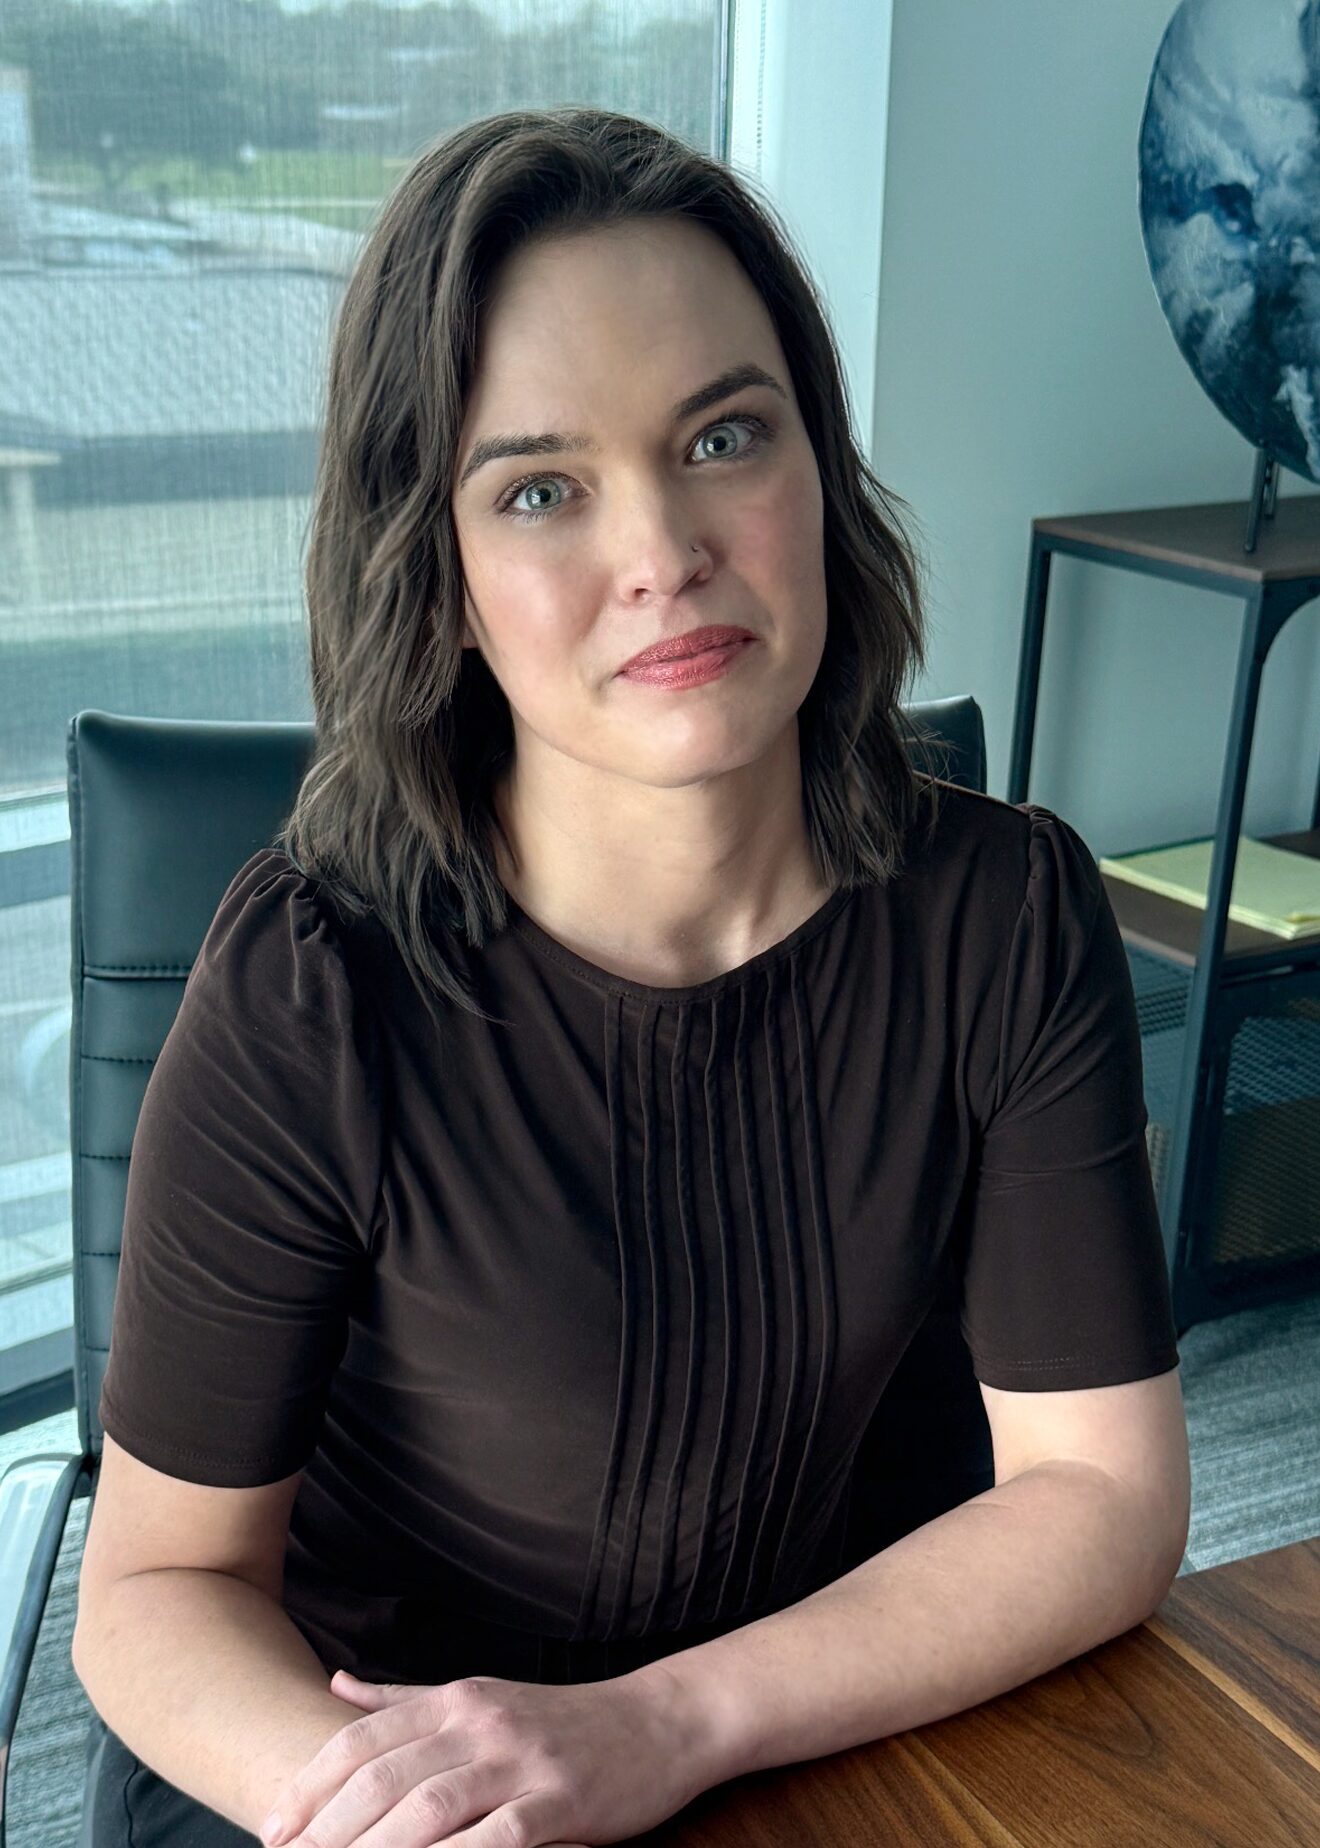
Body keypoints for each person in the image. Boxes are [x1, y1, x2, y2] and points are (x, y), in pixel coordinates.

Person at [80, 105, 1181, 1845]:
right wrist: (418, 1807)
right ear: (436, 578)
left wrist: (663, 1726)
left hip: (806, 1724)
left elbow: (1104, 1494)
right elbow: (152, 1591)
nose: (663, 549)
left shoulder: (1006, 914)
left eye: (724, 436)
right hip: (362, 1763)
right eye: (541, 488)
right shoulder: (314, 982)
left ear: (817, 465)